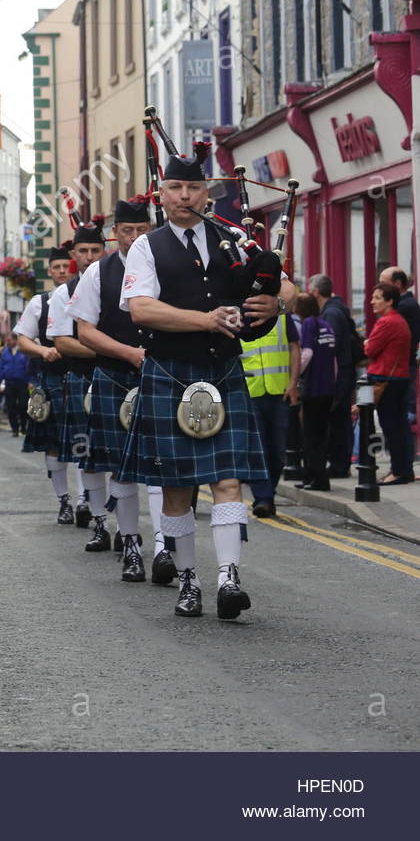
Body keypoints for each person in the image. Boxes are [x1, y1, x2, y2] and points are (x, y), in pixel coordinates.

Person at [119, 141, 291, 620]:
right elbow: (141, 309)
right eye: (176, 187)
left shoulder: (233, 238)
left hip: (223, 370)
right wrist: (207, 319)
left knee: (227, 481)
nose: (185, 196)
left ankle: (228, 579)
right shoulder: (145, 248)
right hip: (171, 372)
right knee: (176, 488)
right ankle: (189, 579)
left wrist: (277, 303)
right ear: (161, 193)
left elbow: (282, 284)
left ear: (206, 193)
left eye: (194, 187)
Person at [69, 196, 174, 582]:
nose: (133, 237)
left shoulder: (167, 263)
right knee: (122, 468)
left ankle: (165, 547)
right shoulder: (99, 272)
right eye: (126, 231)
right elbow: (85, 331)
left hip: (164, 373)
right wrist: (129, 353)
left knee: (165, 466)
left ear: (151, 229)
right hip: (115, 374)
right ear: (114, 234)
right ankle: (131, 544)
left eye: (141, 230)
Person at [48, 217, 108, 538]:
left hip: (121, 375)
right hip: (84, 377)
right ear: (74, 252)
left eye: (95, 249)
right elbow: (62, 342)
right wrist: (109, 351)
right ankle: (99, 519)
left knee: (127, 459)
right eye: (83, 250)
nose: (89, 256)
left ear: (104, 249)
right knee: (89, 453)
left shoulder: (121, 281)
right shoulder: (63, 293)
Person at [15, 245, 75, 525]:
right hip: (52, 379)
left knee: (86, 444)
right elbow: (23, 339)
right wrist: (43, 351)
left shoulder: (87, 294)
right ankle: (64, 501)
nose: (62, 271)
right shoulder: (39, 303)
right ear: (50, 272)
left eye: (66, 266)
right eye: (57, 268)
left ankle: (87, 501)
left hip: (84, 378)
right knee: (54, 443)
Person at [239, 311, 301, 517]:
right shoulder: (239, 315)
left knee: (278, 451)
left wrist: (293, 383)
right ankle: (263, 498)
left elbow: (294, 347)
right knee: (258, 450)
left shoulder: (282, 316)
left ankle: (269, 493)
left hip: (279, 392)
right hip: (250, 392)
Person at [308, 274, 362, 478]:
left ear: (315, 292)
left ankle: (340, 466)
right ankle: (340, 464)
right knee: (339, 420)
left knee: (338, 420)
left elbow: (332, 349)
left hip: (339, 373)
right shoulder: (336, 309)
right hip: (344, 371)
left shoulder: (330, 314)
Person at [363, 283, 413, 485]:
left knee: (392, 428)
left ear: (390, 301)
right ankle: (402, 469)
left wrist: (367, 343)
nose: (372, 301)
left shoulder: (387, 322)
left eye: (377, 297)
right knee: (399, 427)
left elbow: (370, 350)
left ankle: (399, 471)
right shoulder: (398, 321)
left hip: (387, 381)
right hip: (398, 378)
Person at [293, 292, 337, 492]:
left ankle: (315, 478)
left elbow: (307, 353)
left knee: (310, 436)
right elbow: (333, 360)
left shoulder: (309, 324)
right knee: (320, 435)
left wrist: (293, 375)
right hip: (328, 387)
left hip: (314, 388)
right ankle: (317, 476)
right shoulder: (325, 324)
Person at [379, 267, 419, 471]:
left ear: (396, 285)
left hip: (397, 371)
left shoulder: (404, 308)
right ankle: (401, 466)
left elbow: (375, 346)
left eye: (383, 283)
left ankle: (402, 466)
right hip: (399, 369)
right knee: (397, 419)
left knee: (398, 419)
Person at [0, 332, 29, 436]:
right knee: (10, 407)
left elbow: (29, 367)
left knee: (23, 406)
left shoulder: (24, 351)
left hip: (23, 383)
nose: (7, 343)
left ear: (15, 340)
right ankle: (15, 429)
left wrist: (32, 381)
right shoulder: (5, 353)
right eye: (6, 341)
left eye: (9, 340)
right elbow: (0, 368)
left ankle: (23, 427)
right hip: (9, 383)